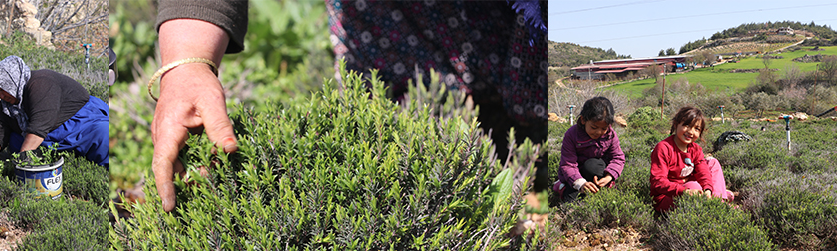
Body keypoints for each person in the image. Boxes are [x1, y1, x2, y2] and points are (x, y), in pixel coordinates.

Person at [149, 0, 546, 212]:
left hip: (513, 17)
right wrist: (188, 59)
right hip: (390, 22)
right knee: (411, 137)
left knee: (531, 121)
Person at [0, 56, 110, 166]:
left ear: (12, 82)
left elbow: (39, 126)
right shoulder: (7, 105)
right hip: (47, 135)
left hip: (79, 123)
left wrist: (23, 161)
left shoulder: (41, 83)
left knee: (103, 133)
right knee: (14, 140)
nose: (1, 96)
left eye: (2, 89)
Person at [649, 106, 734, 213]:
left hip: (690, 189)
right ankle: (720, 197)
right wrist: (685, 191)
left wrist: (707, 189)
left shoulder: (695, 149)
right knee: (694, 185)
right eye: (686, 125)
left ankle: (717, 201)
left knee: (712, 162)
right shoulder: (663, 148)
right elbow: (658, 182)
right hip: (667, 197)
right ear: (676, 124)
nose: (691, 131)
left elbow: (703, 172)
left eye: (696, 129)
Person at [554, 96, 624, 204]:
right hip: (576, 176)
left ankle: (601, 186)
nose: (599, 132)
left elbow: (618, 158)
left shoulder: (611, 135)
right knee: (570, 201)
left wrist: (609, 177)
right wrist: (580, 183)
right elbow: (568, 164)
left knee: (592, 166)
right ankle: (562, 186)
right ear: (583, 120)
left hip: (597, 172)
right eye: (594, 127)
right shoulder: (571, 135)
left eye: (604, 128)